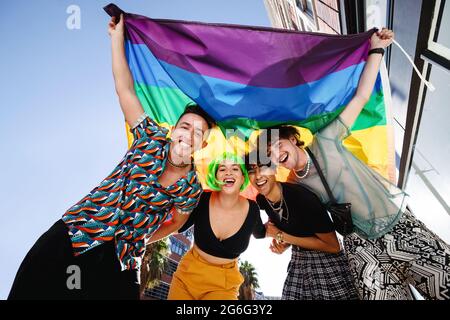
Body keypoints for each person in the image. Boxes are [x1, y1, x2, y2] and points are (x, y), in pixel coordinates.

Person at [8, 14, 215, 300]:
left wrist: (142, 238)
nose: (188, 134)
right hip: (77, 232)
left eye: (197, 133)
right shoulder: (150, 137)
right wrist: (116, 38)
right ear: (174, 130)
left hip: (121, 261)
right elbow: (124, 89)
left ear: (202, 145)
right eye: (185, 126)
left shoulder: (191, 187)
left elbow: (177, 223)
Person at [260, 28, 450, 300]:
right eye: (269, 154)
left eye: (277, 144)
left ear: (292, 138)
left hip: (399, 225)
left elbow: (360, 97)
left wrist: (376, 49)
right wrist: (281, 241)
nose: (275, 154)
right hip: (361, 248)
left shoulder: (326, 139)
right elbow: (295, 222)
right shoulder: (293, 185)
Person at [148, 152, 266, 300]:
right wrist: (137, 241)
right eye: (222, 169)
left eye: (235, 169)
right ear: (215, 177)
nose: (228, 172)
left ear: (243, 178)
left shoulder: (253, 209)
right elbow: (176, 225)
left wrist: (282, 238)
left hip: (224, 285)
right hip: (187, 276)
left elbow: (262, 233)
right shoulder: (202, 199)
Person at [246, 156, 359, 300]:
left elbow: (333, 246)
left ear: (274, 168)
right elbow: (288, 227)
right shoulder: (262, 200)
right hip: (298, 262)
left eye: (263, 167)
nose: (258, 175)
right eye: (251, 170)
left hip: (326, 264)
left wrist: (281, 235)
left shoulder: (300, 197)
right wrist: (285, 243)